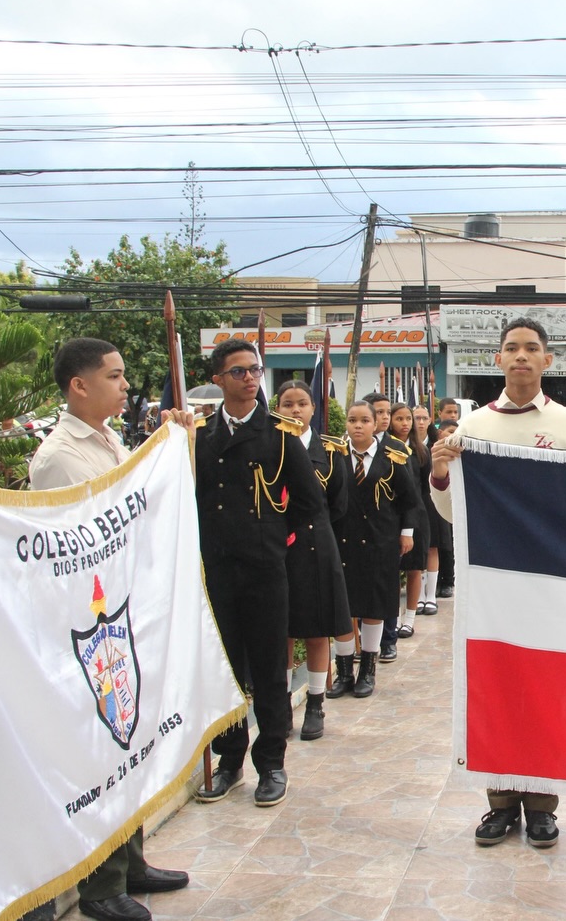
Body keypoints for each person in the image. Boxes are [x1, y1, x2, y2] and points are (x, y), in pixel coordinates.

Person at [29, 338, 193, 921]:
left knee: (130, 742)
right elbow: (72, 546)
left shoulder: (107, 439)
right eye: (115, 376)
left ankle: (131, 861)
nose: (126, 386)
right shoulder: (60, 456)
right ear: (79, 385)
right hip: (90, 622)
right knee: (103, 751)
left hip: (122, 611)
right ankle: (101, 885)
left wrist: (168, 449)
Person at [430, 317, 566, 850]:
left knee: (549, 692)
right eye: (512, 348)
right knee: (498, 688)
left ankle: (543, 806)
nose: (521, 356)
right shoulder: (473, 429)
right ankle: (501, 802)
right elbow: (453, 510)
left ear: (548, 360)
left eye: (532, 348)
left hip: (555, 584)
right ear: (498, 359)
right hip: (493, 585)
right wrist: (440, 473)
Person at [193, 342, 321, 808]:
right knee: (224, 668)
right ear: (219, 379)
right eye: (238, 371)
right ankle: (230, 761)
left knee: (269, 669)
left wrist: (277, 540)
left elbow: (309, 503)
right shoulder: (200, 436)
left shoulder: (279, 434)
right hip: (218, 568)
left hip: (265, 568)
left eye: (254, 370)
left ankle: (271, 763)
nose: (249, 378)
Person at [272, 380, 355, 739]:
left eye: (302, 403)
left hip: (317, 544)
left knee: (317, 628)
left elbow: (339, 504)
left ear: (313, 408)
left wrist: (313, 531)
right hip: (276, 545)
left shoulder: (331, 451)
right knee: (281, 631)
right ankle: (281, 704)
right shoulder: (269, 446)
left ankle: (315, 703)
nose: (295, 410)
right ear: (277, 408)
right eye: (287, 404)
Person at [332, 400, 421, 691]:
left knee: (374, 604)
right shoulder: (334, 454)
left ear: (375, 424)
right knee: (343, 607)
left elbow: (409, 499)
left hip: (380, 539)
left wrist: (406, 532)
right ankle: (344, 671)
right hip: (342, 540)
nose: (358, 426)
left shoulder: (392, 456)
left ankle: (367, 670)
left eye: (364, 421)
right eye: (352, 420)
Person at [388, 403, 431, 637]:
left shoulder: (420, 451)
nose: (405, 423)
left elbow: (423, 487)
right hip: (392, 516)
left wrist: (414, 522)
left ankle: (410, 619)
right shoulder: (386, 449)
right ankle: (393, 618)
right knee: (392, 570)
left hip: (417, 516)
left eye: (408, 419)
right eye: (399, 419)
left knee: (414, 568)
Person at [434, 398, 461, 599]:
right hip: (435, 499)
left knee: (450, 542)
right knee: (438, 544)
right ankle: (437, 581)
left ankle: (449, 580)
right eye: (449, 412)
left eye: (455, 412)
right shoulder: (433, 443)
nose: (452, 415)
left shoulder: (463, 440)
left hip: (455, 500)